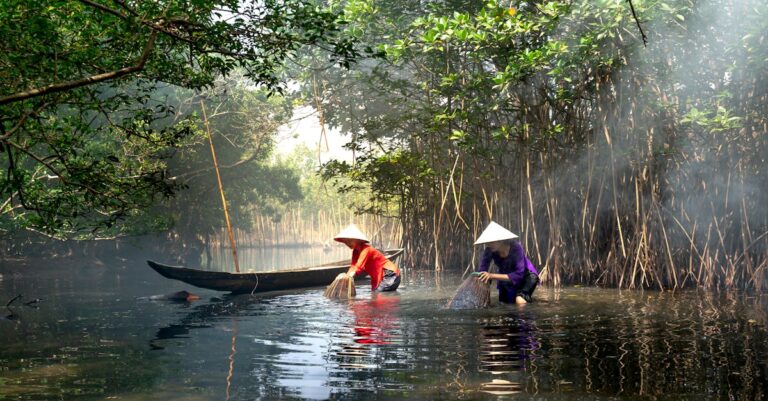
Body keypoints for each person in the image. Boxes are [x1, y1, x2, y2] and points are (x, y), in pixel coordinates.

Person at [474, 221, 539, 304]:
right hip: (505, 275)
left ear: (501, 241)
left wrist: (491, 275)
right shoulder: (489, 250)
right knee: (503, 303)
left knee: (520, 300)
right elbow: (483, 269)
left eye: (492, 242)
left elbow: (519, 274)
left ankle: (524, 315)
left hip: (526, 276)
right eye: (487, 243)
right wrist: (480, 277)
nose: (489, 245)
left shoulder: (516, 247)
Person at [334, 224, 401, 292]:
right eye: (346, 242)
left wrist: (349, 277)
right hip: (378, 276)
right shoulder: (355, 252)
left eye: (350, 241)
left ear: (358, 240)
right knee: (375, 293)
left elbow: (358, 266)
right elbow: (353, 267)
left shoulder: (367, 249)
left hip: (390, 274)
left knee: (379, 295)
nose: (347, 243)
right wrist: (346, 278)